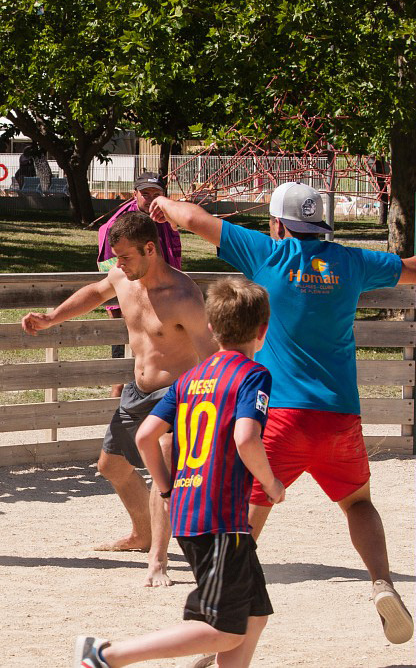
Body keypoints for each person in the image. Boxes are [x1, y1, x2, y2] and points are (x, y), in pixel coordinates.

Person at [149, 182, 415, 644]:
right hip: (338, 414)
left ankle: (220, 614)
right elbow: (411, 270)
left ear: (277, 224)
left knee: (245, 517)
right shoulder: (352, 262)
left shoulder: (267, 254)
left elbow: (193, 219)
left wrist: (163, 204)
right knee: (358, 503)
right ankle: (381, 583)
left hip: (280, 415)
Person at [75, 277, 285, 668]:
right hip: (220, 518)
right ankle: (104, 656)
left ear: (211, 327)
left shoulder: (191, 378)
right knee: (224, 629)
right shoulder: (253, 375)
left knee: (254, 615)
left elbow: (145, 436)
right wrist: (271, 483)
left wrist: (167, 488)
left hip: (192, 511)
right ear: (262, 330)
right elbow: (246, 438)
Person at [21, 212, 216, 586]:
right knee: (111, 466)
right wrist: (51, 318)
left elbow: (211, 355)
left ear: (150, 249)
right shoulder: (123, 277)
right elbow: (96, 292)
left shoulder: (183, 296)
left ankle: (158, 559)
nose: (119, 265)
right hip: (137, 392)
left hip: (175, 397)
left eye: (125, 257)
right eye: (116, 258)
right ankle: (143, 535)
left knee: (163, 475)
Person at [97, 172, 183, 399]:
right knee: (122, 361)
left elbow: (174, 258)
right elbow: (109, 265)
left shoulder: (166, 220)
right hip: (130, 300)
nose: (151, 199)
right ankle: (116, 398)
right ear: (135, 194)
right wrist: (116, 305)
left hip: (162, 300)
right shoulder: (119, 223)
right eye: (146, 194)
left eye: (156, 194)